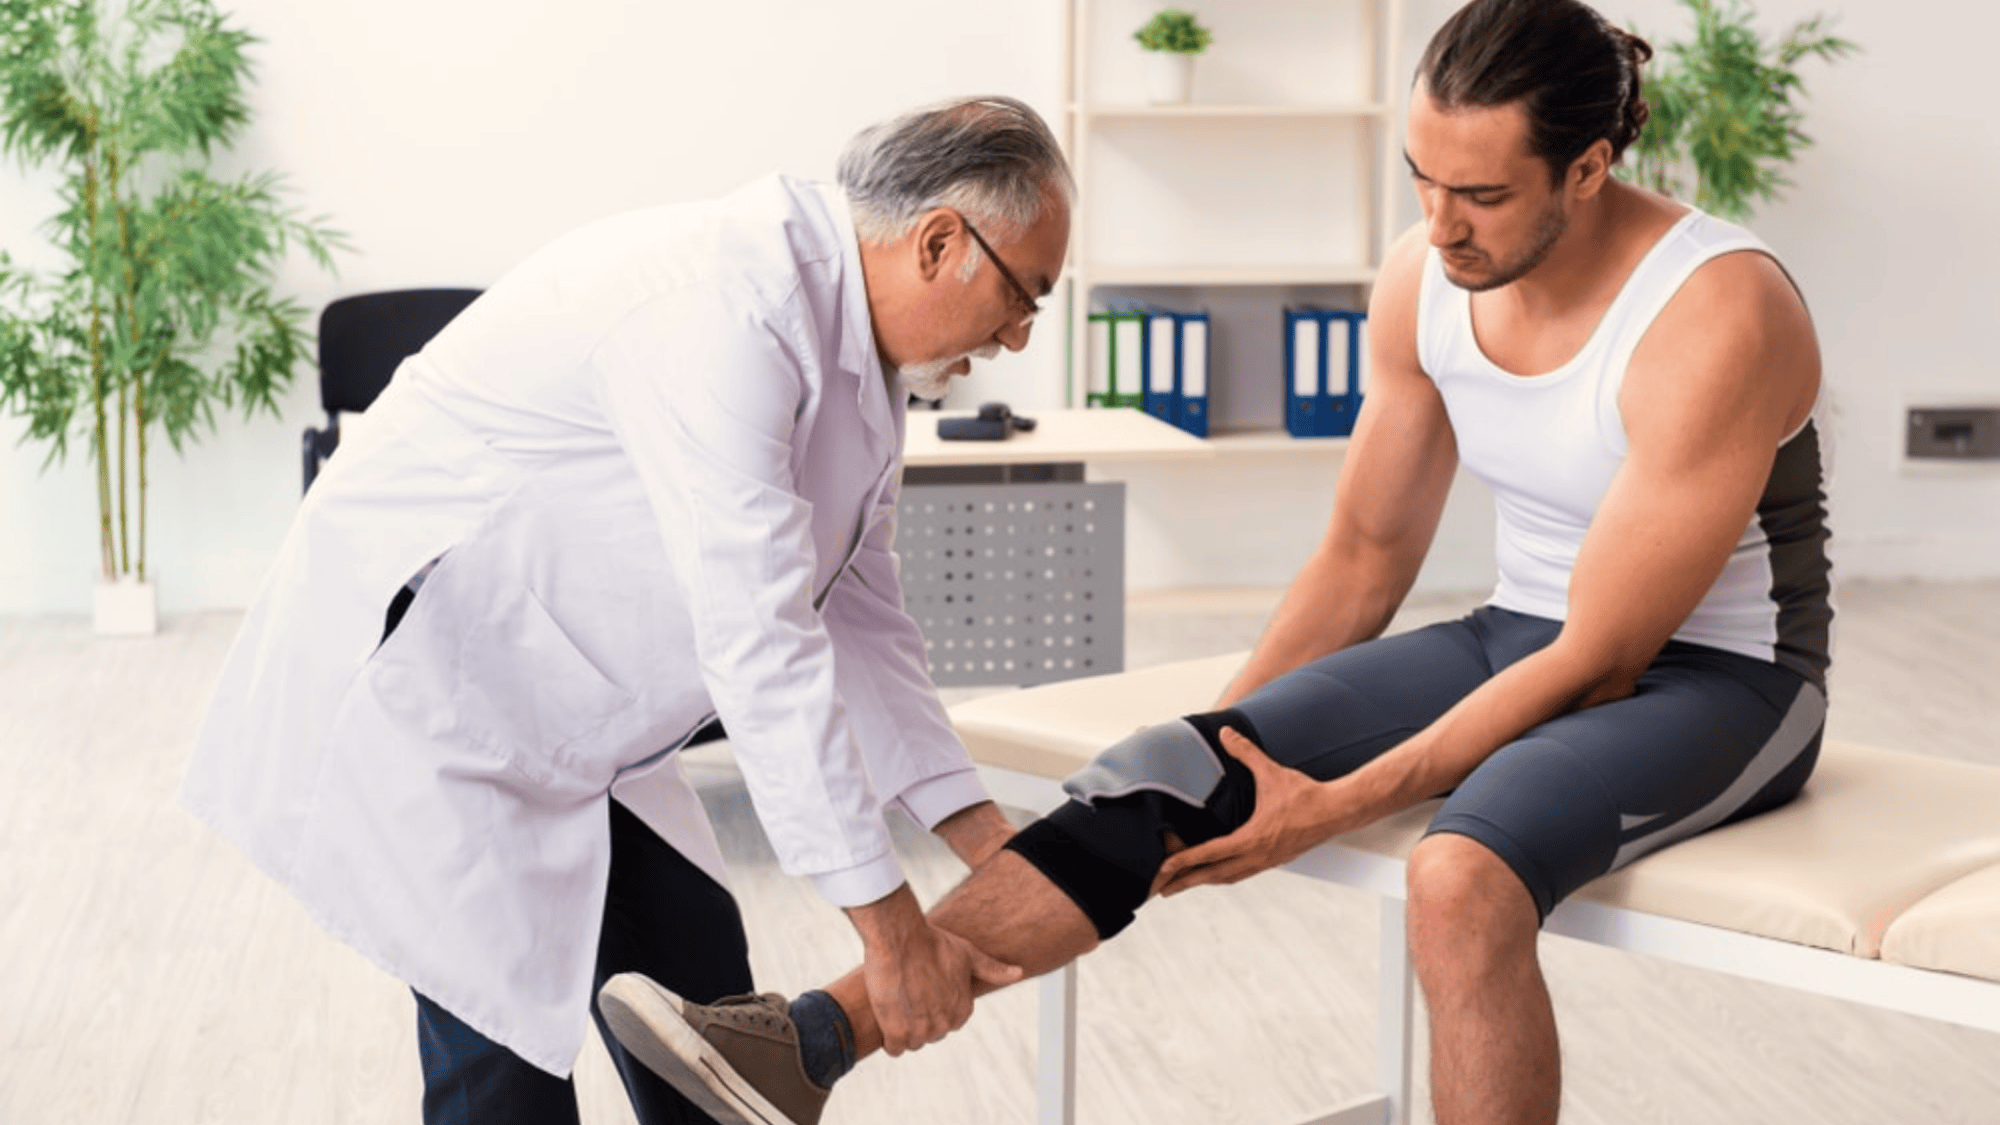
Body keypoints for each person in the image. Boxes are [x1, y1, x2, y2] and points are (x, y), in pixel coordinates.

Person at [596, 2, 1835, 1124]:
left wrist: (1325, 809)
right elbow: (1364, 552)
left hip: (1720, 678)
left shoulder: (1714, 311)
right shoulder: (1421, 279)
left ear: (1586, 165)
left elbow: (1603, 655)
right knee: (1168, 767)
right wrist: (1223, 753)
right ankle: (802, 1048)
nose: (1440, 224)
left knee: (1457, 879)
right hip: (1519, 629)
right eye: (1420, 180)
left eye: (1484, 196)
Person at [181, 95, 1074, 1125]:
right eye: (1024, 298)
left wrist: (986, 841)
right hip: (445, 702)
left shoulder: (860, 356)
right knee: (501, 1084)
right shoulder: (723, 306)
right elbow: (762, 643)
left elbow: (862, 617)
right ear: (936, 242)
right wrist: (889, 934)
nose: (1015, 337)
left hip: (578, 716)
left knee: (723, 1055)